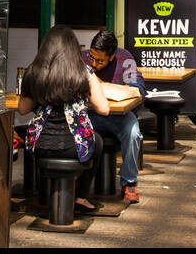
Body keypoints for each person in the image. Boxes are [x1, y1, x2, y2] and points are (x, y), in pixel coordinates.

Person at [18, 26, 110, 214]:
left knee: (25, 133)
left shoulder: (34, 73)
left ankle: (44, 194)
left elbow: (22, 109)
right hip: (75, 146)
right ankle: (81, 196)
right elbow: (104, 109)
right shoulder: (83, 73)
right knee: (98, 141)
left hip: (40, 144)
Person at [83, 29, 146, 203]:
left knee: (133, 134)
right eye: (92, 58)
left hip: (118, 117)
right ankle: (79, 184)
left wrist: (106, 87)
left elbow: (138, 89)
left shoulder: (125, 59)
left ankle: (129, 182)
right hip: (90, 114)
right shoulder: (82, 59)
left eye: (100, 60)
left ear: (112, 57)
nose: (94, 64)